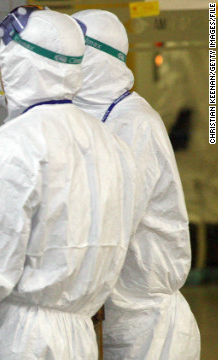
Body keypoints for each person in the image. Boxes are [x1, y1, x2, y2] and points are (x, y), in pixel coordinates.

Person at [0, 7, 139, 359]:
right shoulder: (113, 145)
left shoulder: (9, 146)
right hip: (82, 336)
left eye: (2, 57)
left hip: (23, 340)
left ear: (21, 61)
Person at [72, 10, 201, 359]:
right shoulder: (93, 119)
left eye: (74, 54)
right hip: (122, 315)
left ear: (98, 57)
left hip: (152, 326)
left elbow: (115, 222)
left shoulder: (133, 122)